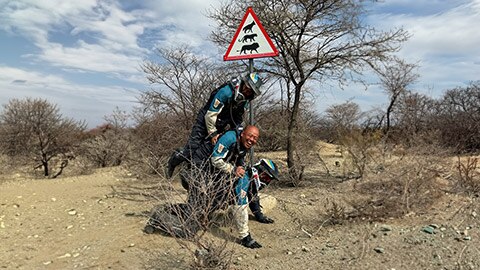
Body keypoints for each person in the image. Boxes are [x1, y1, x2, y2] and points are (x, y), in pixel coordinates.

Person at [166, 72, 263, 178]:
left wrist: (238, 133)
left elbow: (237, 118)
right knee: (192, 148)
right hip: (205, 119)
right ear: (243, 83)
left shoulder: (245, 101)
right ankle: (174, 159)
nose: (246, 91)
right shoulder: (226, 92)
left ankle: (194, 171)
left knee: (211, 149)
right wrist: (213, 133)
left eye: (250, 91)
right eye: (246, 87)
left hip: (221, 123)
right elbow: (210, 114)